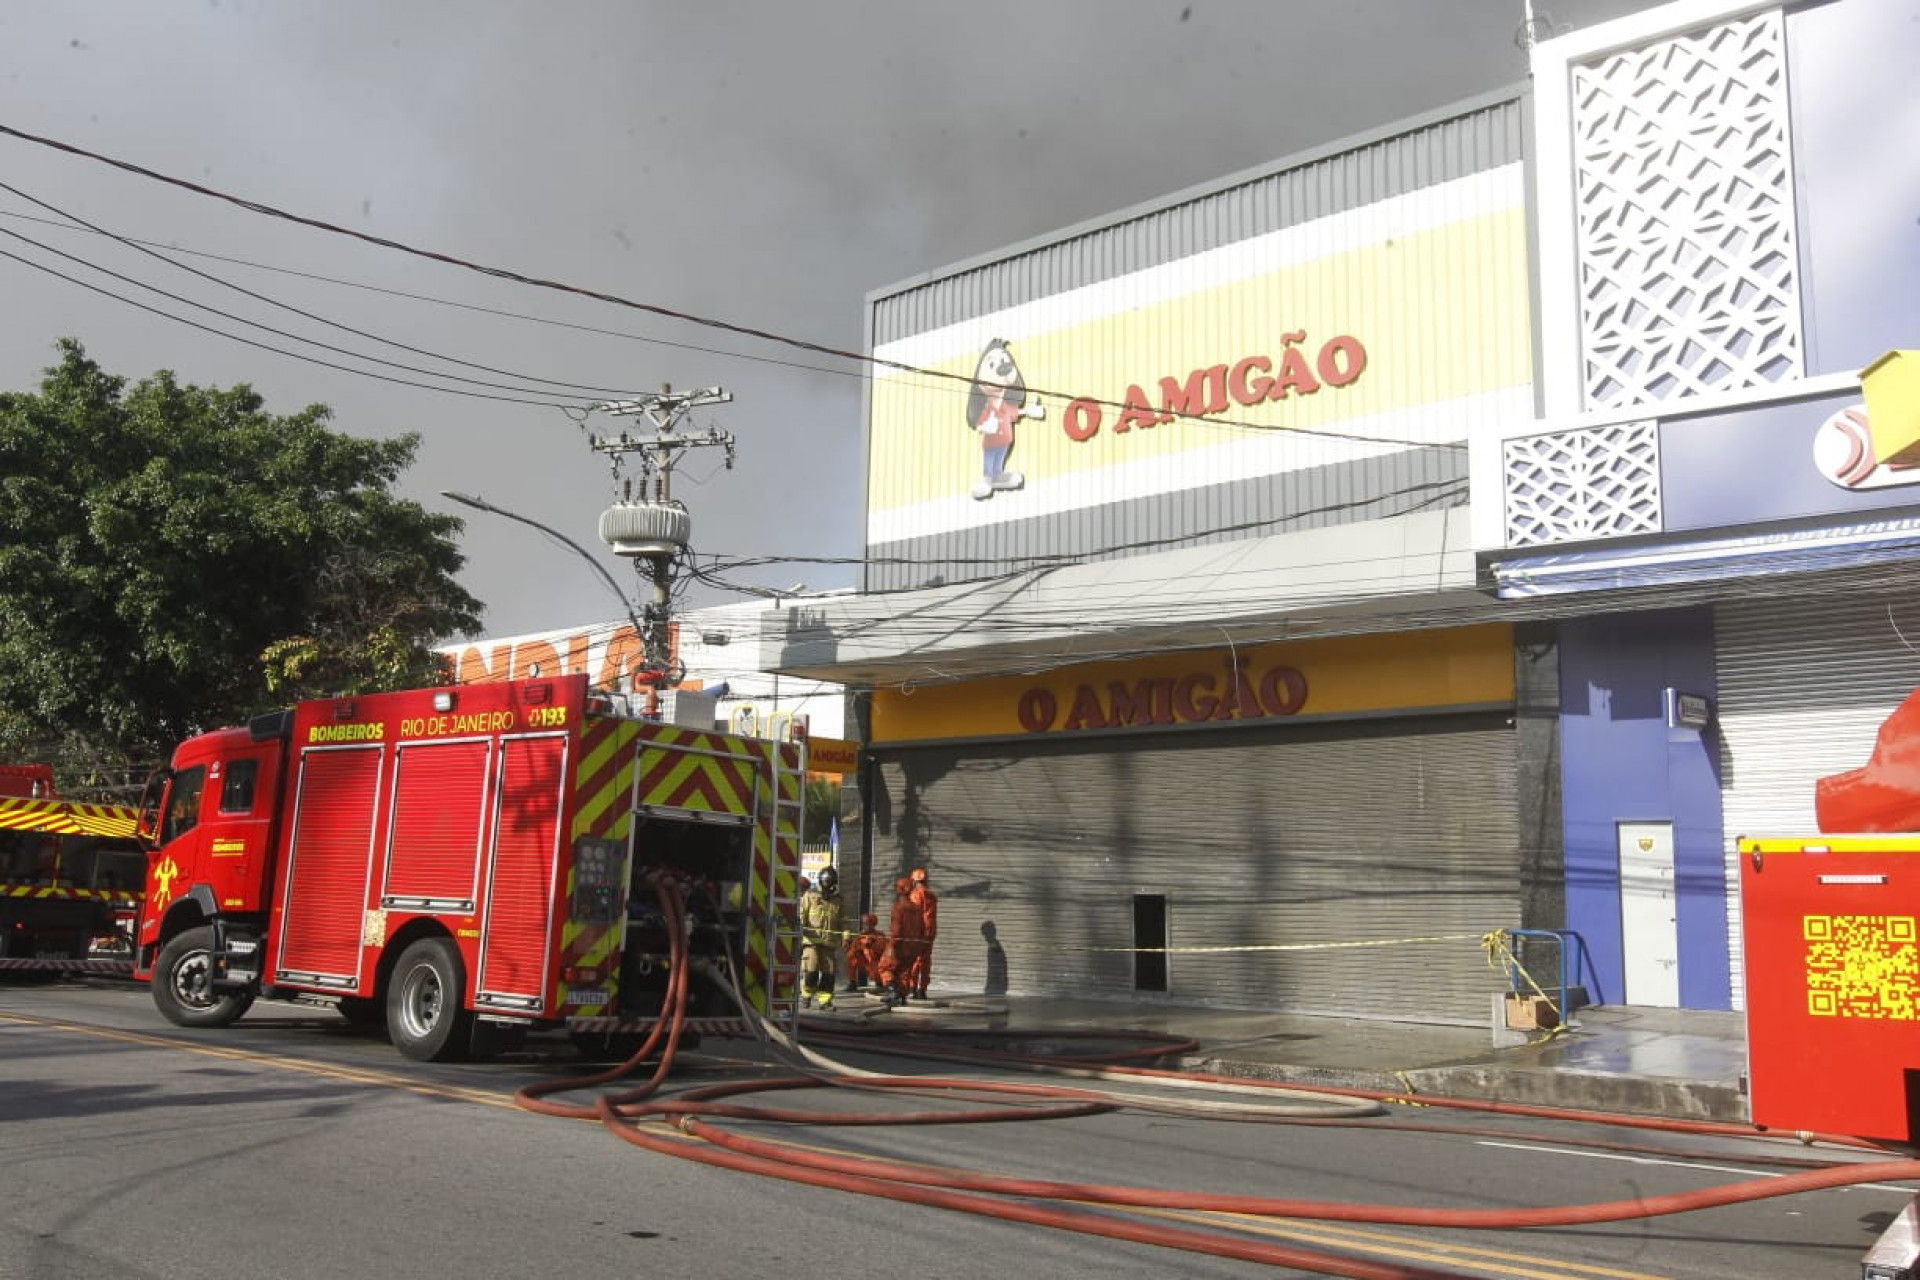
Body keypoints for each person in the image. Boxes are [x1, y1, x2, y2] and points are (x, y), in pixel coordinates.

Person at [798, 866, 845, 1009]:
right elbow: (802, 914)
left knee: (828, 974)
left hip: (829, 943)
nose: (827, 884)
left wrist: (846, 935)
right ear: (820, 880)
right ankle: (806, 996)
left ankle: (825, 1001)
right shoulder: (810, 896)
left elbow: (844, 920)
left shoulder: (838, 900)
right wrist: (800, 928)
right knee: (811, 969)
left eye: (829, 881)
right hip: (811, 942)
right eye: (825, 881)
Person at [878, 876, 925, 1005]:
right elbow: (922, 929)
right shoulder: (917, 908)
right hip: (913, 946)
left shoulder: (898, 908)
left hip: (899, 946)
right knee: (903, 972)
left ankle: (892, 991)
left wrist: (891, 947)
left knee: (884, 967)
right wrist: (918, 946)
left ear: (899, 889)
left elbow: (896, 930)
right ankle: (901, 997)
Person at [906, 867, 938, 999]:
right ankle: (922, 990)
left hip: (918, 932)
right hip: (930, 932)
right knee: (925, 960)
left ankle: (912, 988)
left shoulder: (915, 894)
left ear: (914, 880)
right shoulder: (931, 895)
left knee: (914, 960)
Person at [842, 912, 885, 992]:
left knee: (879, 971)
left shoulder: (879, 935)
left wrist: (870, 944)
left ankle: (881, 982)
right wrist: (848, 944)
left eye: (867, 924)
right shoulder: (861, 936)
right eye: (864, 924)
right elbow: (853, 948)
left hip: (876, 964)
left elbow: (880, 950)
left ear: (872, 925)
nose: (864, 926)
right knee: (850, 956)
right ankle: (852, 982)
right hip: (866, 964)